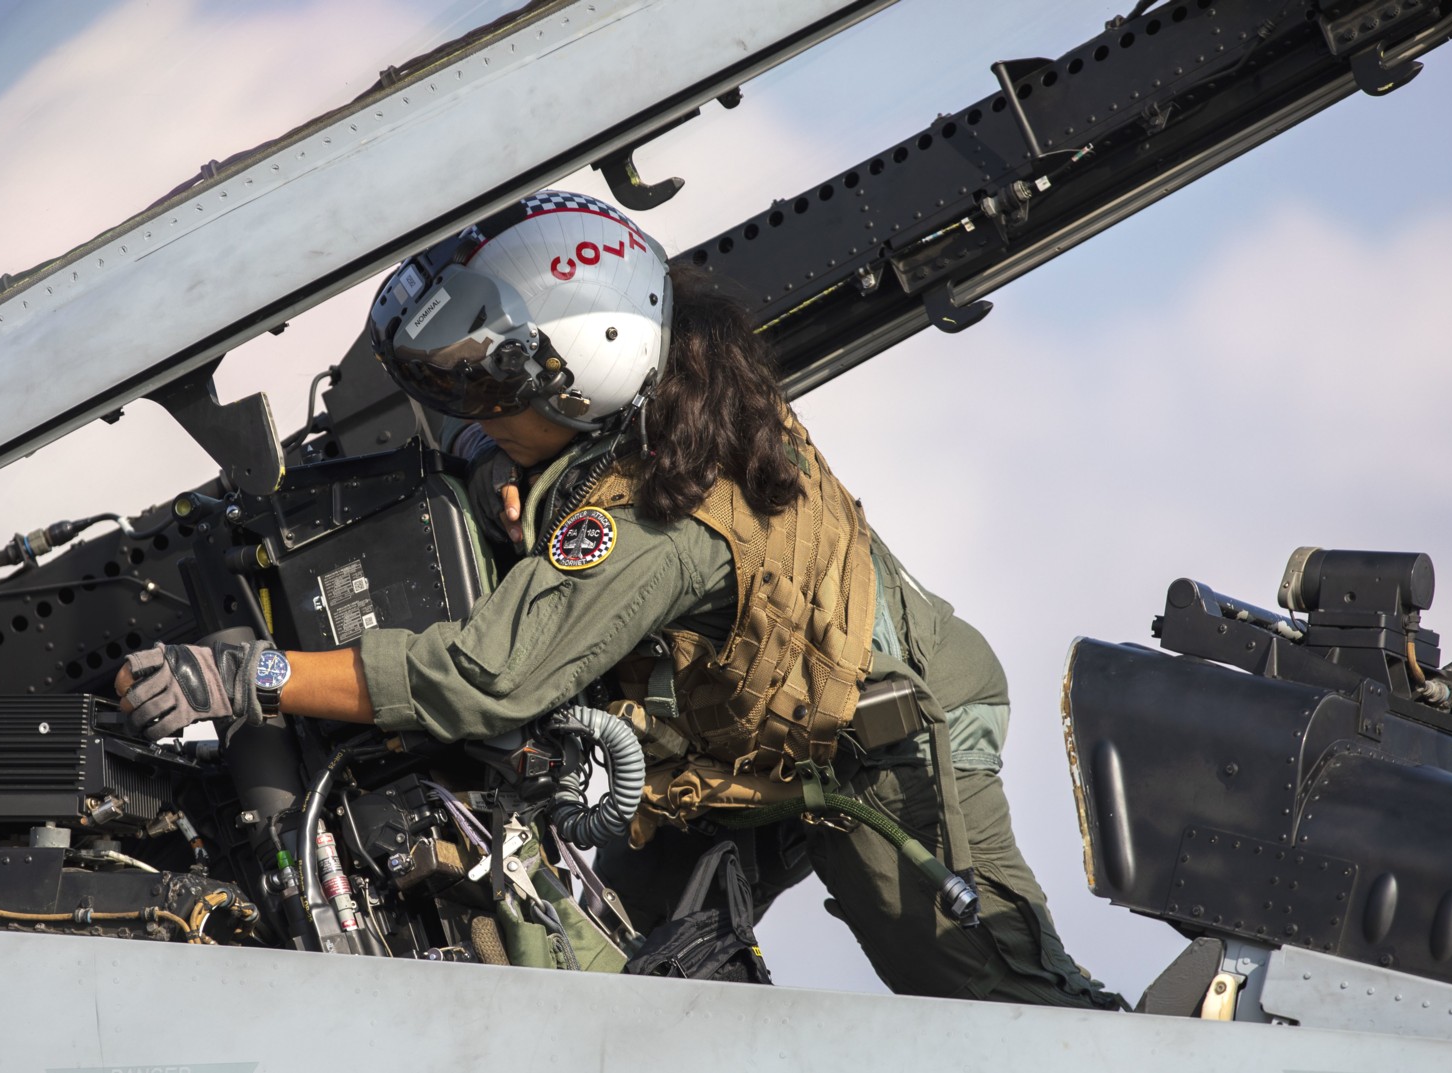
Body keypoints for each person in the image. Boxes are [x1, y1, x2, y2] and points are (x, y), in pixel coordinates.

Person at [116, 190, 1118, 1008]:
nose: (470, 416)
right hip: (740, 750)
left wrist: (251, 674)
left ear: (579, 376)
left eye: (485, 395)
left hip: (885, 746)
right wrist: (485, 451)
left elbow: (485, 679)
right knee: (596, 977)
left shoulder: (654, 514)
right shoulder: (676, 375)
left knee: (1007, 1018)